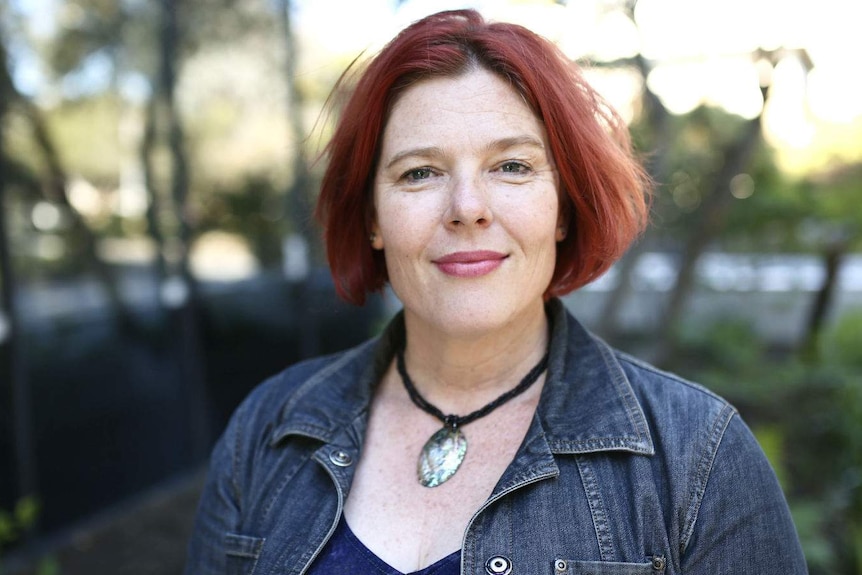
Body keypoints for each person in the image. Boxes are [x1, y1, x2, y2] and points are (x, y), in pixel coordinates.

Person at [185, 9, 807, 575]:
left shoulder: (699, 456)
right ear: (372, 216)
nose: (467, 209)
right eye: (420, 172)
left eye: (512, 166)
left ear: (563, 207)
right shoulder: (265, 431)